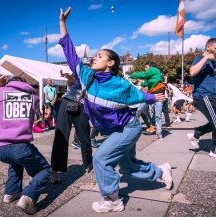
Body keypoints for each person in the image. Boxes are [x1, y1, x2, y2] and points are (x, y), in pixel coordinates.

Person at [58, 7, 172, 213]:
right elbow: (69, 52)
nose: (95, 58)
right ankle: (161, 172)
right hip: (113, 130)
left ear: (110, 63)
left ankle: (112, 200)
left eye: (100, 56)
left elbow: (138, 95)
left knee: (101, 159)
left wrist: (154, 96)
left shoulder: (120, 84)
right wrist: (62, 24)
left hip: (128, 128)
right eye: (95, 55)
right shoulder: (85, 76)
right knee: (127, 167)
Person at [0, 76, 52, 215]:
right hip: (20, 146)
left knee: (15, 164)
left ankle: (11, 192)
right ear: (25, 84)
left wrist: (0, 87)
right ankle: (28, 197)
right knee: (45, 170)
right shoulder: (33, 97)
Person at [187, 38, 216, 159]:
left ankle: (197, 133)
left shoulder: (207, 62)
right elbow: (192, 72)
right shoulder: (200, 58)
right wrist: (206, 58)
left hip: (209, 95)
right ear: (208, 48)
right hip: (204, 96)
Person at [50, 76, 93, 183]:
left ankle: (89, 163)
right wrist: (71, 76)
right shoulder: (79, 73)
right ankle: (55, 170)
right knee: (61, 137)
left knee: (85, 136)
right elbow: (69, 84)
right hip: (67, 102)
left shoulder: (95, 77)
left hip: (82, 105)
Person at [129, 61, 165, 140]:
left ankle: (159, 133)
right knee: (138, 111)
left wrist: (132, 75)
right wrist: (139, 84)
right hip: (150, 96)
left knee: (158, 115)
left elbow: (143, 75)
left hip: (158, 95)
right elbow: (143, 84)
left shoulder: (153, 69)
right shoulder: (150, 77)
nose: (145, 69)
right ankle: (131, 127)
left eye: (146, 67)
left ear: (150, 66)